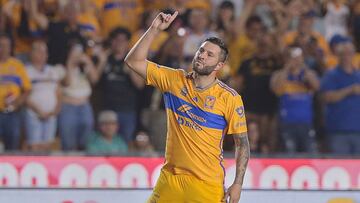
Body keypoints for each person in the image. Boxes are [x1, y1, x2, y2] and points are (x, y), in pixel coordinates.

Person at [125, 11, 250, 203]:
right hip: (170, 180)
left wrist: (238, 183)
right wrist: (154, 29)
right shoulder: (175, 80)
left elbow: (242, 144)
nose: (202, 56)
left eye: (210, 55)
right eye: (201, 51)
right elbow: (133, 61)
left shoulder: (229, 98)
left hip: (206, 185)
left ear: (219, 65)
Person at [320, 40, 360, 154]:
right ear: (338, 55)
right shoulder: (331, 75)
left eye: (349, 53)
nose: (346, 56)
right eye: (343, 53)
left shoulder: (358, 75)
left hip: (358, 130)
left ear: (354, 54)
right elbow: (327, 97)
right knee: (339, 165)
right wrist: (350, 90)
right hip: (338, 130)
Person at [25, 41, 63, 151]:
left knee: (49, 145)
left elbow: (59, 92)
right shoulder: (25, 71)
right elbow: (24, 95)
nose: (42, 54)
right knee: (35, 146)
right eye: (39, 51)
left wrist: (56, 110)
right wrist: (38, 110)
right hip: (33, 114)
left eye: (44, 51)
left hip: (51, 115)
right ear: (31, 53)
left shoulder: (53, 71)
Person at [0, 33, 31, 150]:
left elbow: (27, 89)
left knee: (12, 145)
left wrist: (17, 102)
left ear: (10, 48)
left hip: (12, 113)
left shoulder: (17, 65)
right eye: (1, 45)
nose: (3, 49)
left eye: (6, 46)